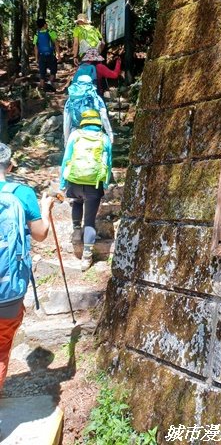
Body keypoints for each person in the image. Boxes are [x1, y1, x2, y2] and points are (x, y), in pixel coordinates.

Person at [0, 143, 53, 392]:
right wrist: (46, 207)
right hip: (7, 290)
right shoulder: (22, 193)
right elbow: (40, 234)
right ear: (9, 166)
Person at [60, 109, 112, 271]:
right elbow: (108, 162)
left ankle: (76, 230)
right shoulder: (104, 138)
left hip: (75, 181)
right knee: (89, 221)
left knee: (76, 202)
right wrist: (105, 183)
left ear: (83, 121)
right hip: (93, 184)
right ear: (98, 122)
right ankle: (87, 257)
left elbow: (66, 158)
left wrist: (63, 182)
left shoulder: (75, 135)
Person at [63, 75, 114, 145]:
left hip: (75, 133)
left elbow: (67, 121)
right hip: (95, 132)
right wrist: (110, 135)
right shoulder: (97, 98)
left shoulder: (71, 100)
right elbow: (104, 118)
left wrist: (66, 141)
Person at [33, 18, 60, 91]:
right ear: (44, 25)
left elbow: (36, 47)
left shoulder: (36, 35)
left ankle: (43, 91)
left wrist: (36, 58)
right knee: (53, 72)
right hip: (51, 55)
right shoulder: (51, 32)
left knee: (42, 74)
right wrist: (58, 55)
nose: (47, 25)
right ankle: (49, 84)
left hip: (42, 56)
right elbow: (56, 43)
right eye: (46, 23)